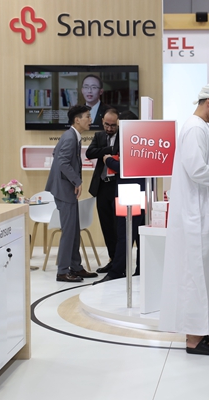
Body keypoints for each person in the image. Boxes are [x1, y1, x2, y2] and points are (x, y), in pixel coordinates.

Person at [158, 83, 209, 356]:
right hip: (199, 217)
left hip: (207, 215)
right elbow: (197, 170)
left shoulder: (202, 128)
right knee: (197, 277)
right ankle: (194, 339)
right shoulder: (194, 128)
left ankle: (208, 329)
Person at [45, 105, 99, 282]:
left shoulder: (72, 136)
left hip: (65, 188)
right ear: (77, 120)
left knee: (74, 231)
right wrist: (77, 181)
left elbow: (56, 153)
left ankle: (76, 267)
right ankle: (62, 271)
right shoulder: (70, 137)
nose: (90, 120)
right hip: (64, 190)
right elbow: (62, 161)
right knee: (69, 232)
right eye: (87, 116)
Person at [93, 110, 145, 283]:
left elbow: (124, 168)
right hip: (141, 191)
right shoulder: (143, 141)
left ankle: (116, 271)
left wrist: (108, 160)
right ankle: (140, 269)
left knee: (125, 234)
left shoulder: (131, 141)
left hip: (128, 192)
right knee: (139, 234)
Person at [86, 109, 120, 273]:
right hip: (102, 186)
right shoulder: (99, 136)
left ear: (118, 123)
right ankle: (112, 259)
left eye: (113, 125)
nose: (109, 128)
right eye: (107, 124)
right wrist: (109, 150)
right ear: (102, 122)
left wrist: (105, 152)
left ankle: (120, 261)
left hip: (117, 186)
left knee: (117, 225)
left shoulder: (124, 136)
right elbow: (90, 153)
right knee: (106, 225)